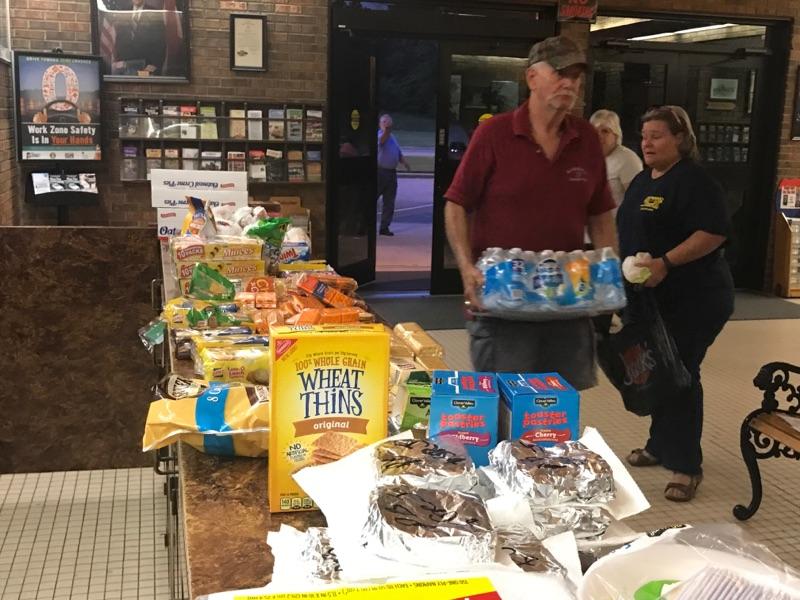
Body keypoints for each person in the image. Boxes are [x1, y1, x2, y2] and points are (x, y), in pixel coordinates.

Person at [443, 36, 617, 390]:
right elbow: (457, 204)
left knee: (558, 410)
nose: (569, 83)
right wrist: (465, 268)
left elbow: (600, 214)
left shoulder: (586, 138)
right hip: (503, 299)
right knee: (507, 406)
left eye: (575, 75)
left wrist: (608, 272)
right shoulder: (494, 133)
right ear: (532, 78)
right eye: (559, 72)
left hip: (567, 300)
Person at [616, 105, 734, 502]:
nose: (647, 143)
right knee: (657, 373)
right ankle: (659, 444)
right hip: (650, 299)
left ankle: (685, 466)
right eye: (644, 135)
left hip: (695, 298)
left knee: (680, 374)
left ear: (681, 139)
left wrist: (666, 263)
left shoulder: (695, 182)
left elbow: (714, 233)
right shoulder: (640, 182)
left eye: (658, 135)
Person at [590, 109, 643, 210]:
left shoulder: (628, 159)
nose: (599, 136)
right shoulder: (589, 157)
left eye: (605, 131)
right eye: (594, 131)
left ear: (616, 134)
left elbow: (636, 201)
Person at [377, 114, 411, 236]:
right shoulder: (380, 135)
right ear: (380, 124)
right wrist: (386, 131)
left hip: (391, 173)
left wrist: (404, 163)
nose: (387, 124)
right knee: (372, 199)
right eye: (384, 122)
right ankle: (364, 225)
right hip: (380, 172)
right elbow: (382, 141)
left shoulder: (393, 137)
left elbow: (398, 152)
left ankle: (384, 227)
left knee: (389, 202)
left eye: (389, 123)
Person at [113, 0, 167, 76]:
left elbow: (160, 42)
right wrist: (119, 61)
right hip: (125, 67)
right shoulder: (124, 11)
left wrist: (154, 65)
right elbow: (119, 39)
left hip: (146, 66)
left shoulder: (154, 12)